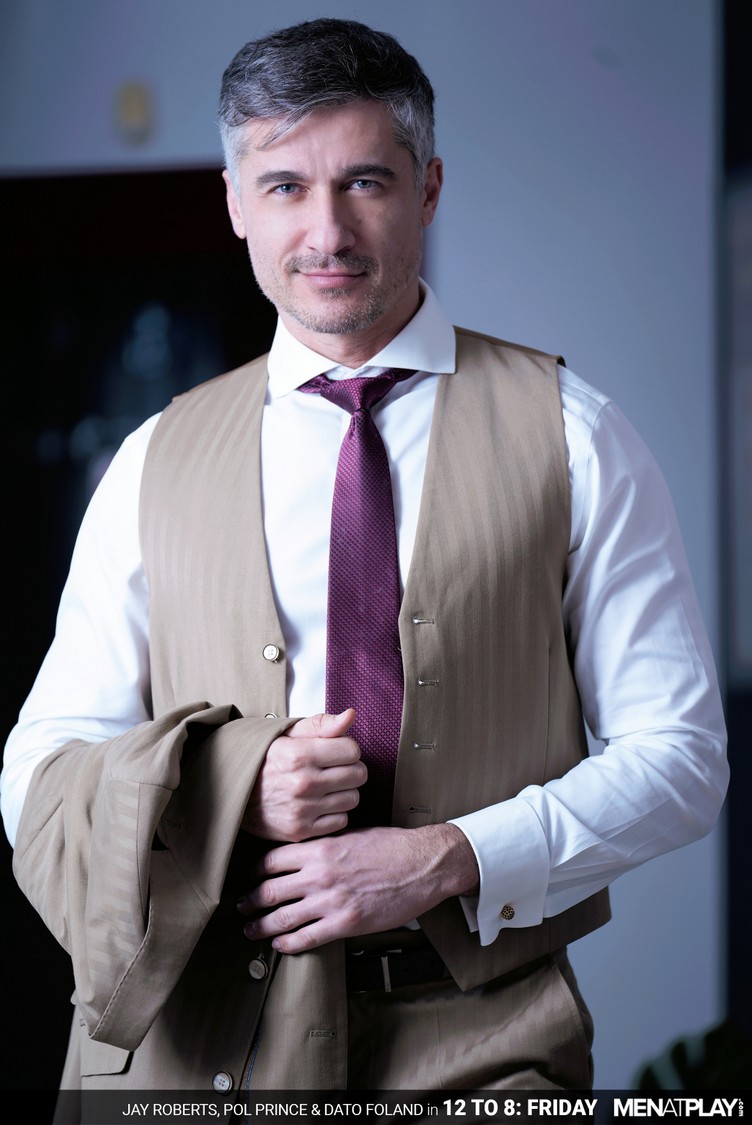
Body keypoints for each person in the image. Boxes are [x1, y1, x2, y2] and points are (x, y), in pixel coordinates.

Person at [1, 16, 728, 1097]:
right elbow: (38, 773)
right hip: (200, 1048)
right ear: (235, 202)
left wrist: (450, 857)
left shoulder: (574, 433)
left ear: (428, 188)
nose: (326, 230)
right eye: (285, 186)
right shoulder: (152, 460)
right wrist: (230, 786)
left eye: (365, 182)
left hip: (485, 1038)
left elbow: (681, 758)